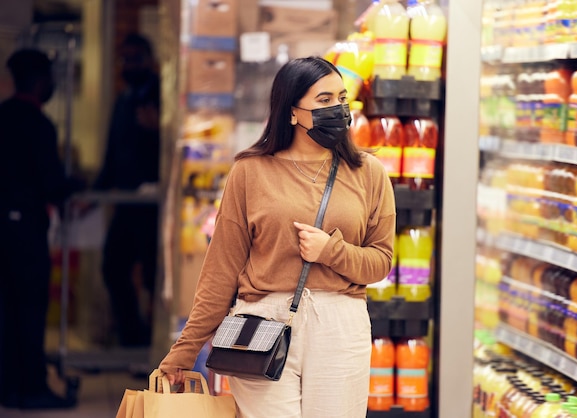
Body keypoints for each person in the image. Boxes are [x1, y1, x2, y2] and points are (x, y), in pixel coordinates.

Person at [159, 56, 396, 417]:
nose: (338, 108)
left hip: (339, 326)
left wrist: (331, 251)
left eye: (342, 98)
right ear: (291, 112)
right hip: (260, 324)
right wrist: (186, 348)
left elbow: (381, 262)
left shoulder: (368, 173)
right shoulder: (250, 172)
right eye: (324, 100)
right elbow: (221, 268)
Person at [0, 48, 80, 409]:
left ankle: (8, 386)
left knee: (5, 310)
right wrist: (74, 184)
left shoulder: (2, 117)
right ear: (40, 81)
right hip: (26, 232)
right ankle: (32, 388)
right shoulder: (38, 124)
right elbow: (52, 184)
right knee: (31, 309)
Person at [93, 33, 160, 347]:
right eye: (124, 59)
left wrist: (156, 130)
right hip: (126, 202)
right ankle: (132, 337)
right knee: (114, 267)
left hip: (153, 205)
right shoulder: (123, 99)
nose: (128, 65)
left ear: (148, 60)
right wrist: (94, 193)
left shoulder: (160, 94)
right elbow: (112, 152)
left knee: (152, 275)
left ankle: (149, 342)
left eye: (134, 58)